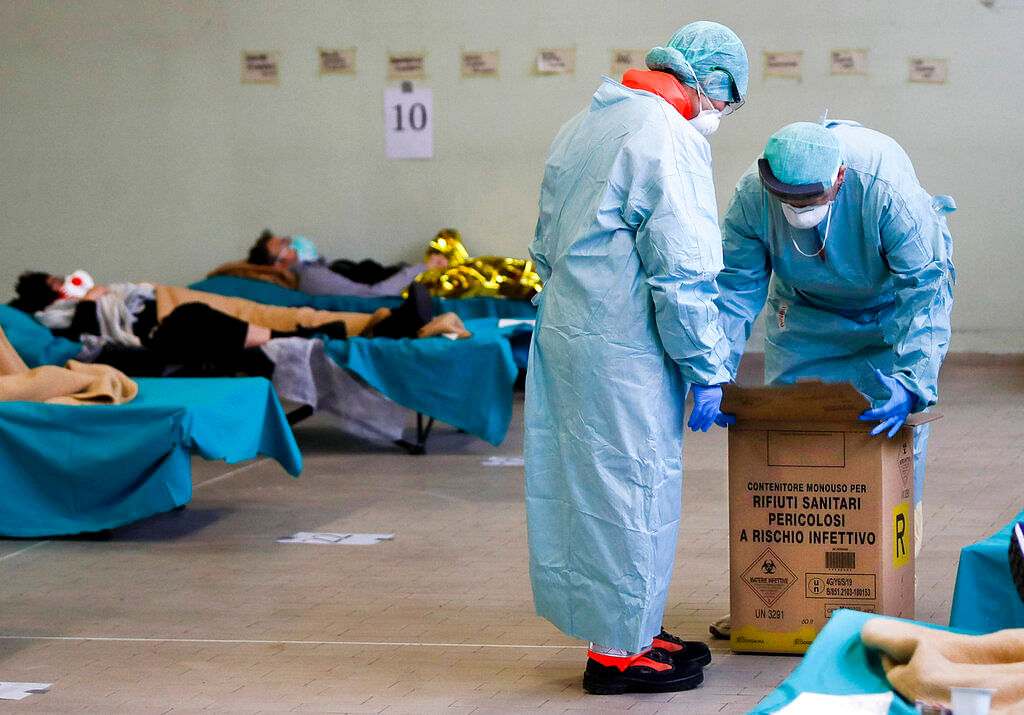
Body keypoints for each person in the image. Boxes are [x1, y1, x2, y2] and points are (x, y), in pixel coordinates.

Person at [524, 21, 746, 694]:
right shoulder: (668, 138)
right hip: (623, 344)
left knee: (585, 487)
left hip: (567, 331)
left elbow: (541, 242)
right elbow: (682, 272)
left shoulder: (586, 122)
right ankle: (619, 651)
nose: (724, 113)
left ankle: (630, 624)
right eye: (727, 97)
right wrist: (708, 366)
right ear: (707, 85)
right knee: (632, 487)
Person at [709, 120, 955, 638]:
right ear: (766, 179)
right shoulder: (753, 197)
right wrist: (713, 371)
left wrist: (911, 381)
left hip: (890, 319)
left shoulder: (884, 191)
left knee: (886, 463)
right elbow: (735, 288)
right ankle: (778, 601)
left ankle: (880, 595)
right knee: (789, 456)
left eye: (811, 199)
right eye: (786, 200)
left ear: (840, 178)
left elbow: (926, 291)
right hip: (804, 320)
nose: (798, 210)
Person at [10, 270, 468, 377]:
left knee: (296, 316)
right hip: (168, 317)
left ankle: (388, 321)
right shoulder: (57, 317)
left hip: (170, 301)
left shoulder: (83, 298)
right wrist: (94, 300)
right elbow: (98, 333)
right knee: (292, 321)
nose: (65, 280)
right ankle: (386, 325)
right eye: (55, 281)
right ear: (45, 295)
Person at [246, 230, 450, 297]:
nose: (294, 243)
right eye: (285, 245)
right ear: (279, 264)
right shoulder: (311, 278)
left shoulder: (316, 268)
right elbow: (374, 295)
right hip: (409, 286)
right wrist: (422, 269)